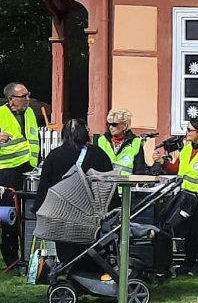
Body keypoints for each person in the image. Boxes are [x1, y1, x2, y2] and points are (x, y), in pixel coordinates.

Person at [34, 119, 115, 268]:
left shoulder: (54, 156)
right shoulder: (98, 154)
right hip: (93, 220)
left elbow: (45, 187)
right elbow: (108, 186)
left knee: (67, 255)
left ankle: (69, 269)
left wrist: (38, 210)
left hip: (63, 218)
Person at [153, 118, 198, 276]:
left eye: (190, 130)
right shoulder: (188, 148)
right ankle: (188, 262)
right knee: (188, 232)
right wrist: (162, 161)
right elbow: (177, 169)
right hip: (186, 198)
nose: (186, 133)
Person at [0, 82, 39, 266]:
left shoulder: (29, 113)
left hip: (28, 170)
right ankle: (10, 257)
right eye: (23, 96)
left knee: (27, 214)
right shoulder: (1, 114)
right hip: (6, 172)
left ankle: (27, 255)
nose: (27, 99)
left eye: (27, 94)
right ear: (11, 100)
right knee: (10, 214)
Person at [97, 108, 151, 176]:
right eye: (108, 124)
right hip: (105, 185)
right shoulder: (101, 140)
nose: (110, 127)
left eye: (114, 124)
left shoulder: (136, 142)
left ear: (124, 125)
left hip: (127, 185)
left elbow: (139, 171)